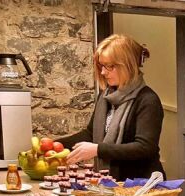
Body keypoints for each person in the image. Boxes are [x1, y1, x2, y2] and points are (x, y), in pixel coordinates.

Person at [58, 34, 164, 180]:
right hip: (113, 182)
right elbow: (91, 134)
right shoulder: (106, 96)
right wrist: (56, 144)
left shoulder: (148, 100)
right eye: (101, 66)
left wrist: (98, 149)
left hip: (140, 183)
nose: (103, 72)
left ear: (127, 65)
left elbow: (144, 147)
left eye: (109, 66)